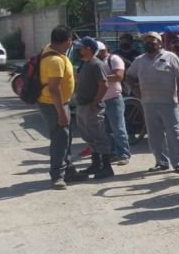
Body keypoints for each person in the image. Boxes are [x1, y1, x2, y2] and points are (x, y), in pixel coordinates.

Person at [126, 32, 179, 173]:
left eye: (152, 41)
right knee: (154, 134)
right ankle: (161, 162)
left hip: (169, 102)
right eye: (146, 41)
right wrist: (134, 88)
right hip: (148, 102)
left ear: (160, 43)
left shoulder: (171, 57)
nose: (148, 43)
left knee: (174, 133)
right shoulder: (139, 60)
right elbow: (129, 75)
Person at [37, 26, 87, 189]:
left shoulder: (50, 49)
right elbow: (54, 89)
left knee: (66, 137)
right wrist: (61, 113)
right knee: (60, 138)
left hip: (59, 102)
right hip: (53, 104)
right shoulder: (55, 60)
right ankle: (57, 175)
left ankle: (69, 170)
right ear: (68, 42)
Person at [74, 37, 114, 179]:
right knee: (89, 136)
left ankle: (106, 167)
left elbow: (104, 84)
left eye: (81, 47)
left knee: (99, 136)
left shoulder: (96, 64)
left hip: (92, 106)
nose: (79, 50)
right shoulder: (85, 64)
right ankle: (96, 164)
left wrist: (95, 102)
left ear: (88, 49)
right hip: (82, 105)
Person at [97, 42, 130, 165]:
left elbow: (118, 76)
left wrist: (100, 77)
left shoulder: (114, 59)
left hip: (114, 98)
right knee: (106, 130)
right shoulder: (96, 61)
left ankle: (123, 154)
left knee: (118, 128)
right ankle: (112, 153)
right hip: (101, 99)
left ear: (105, 49)